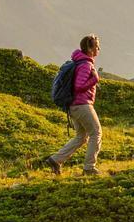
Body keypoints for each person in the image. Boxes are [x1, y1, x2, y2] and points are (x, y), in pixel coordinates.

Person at [42, 35, 102, 175]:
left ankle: (56, 160)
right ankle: (89, 167)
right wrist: (94, 79)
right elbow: (78, 86)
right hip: (82, 105)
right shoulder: (86, 65)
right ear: (89, 48)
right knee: (96, 132)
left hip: (74, 106)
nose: (99, 49)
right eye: (97, 46)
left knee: (81, 137)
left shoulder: (80, 62)